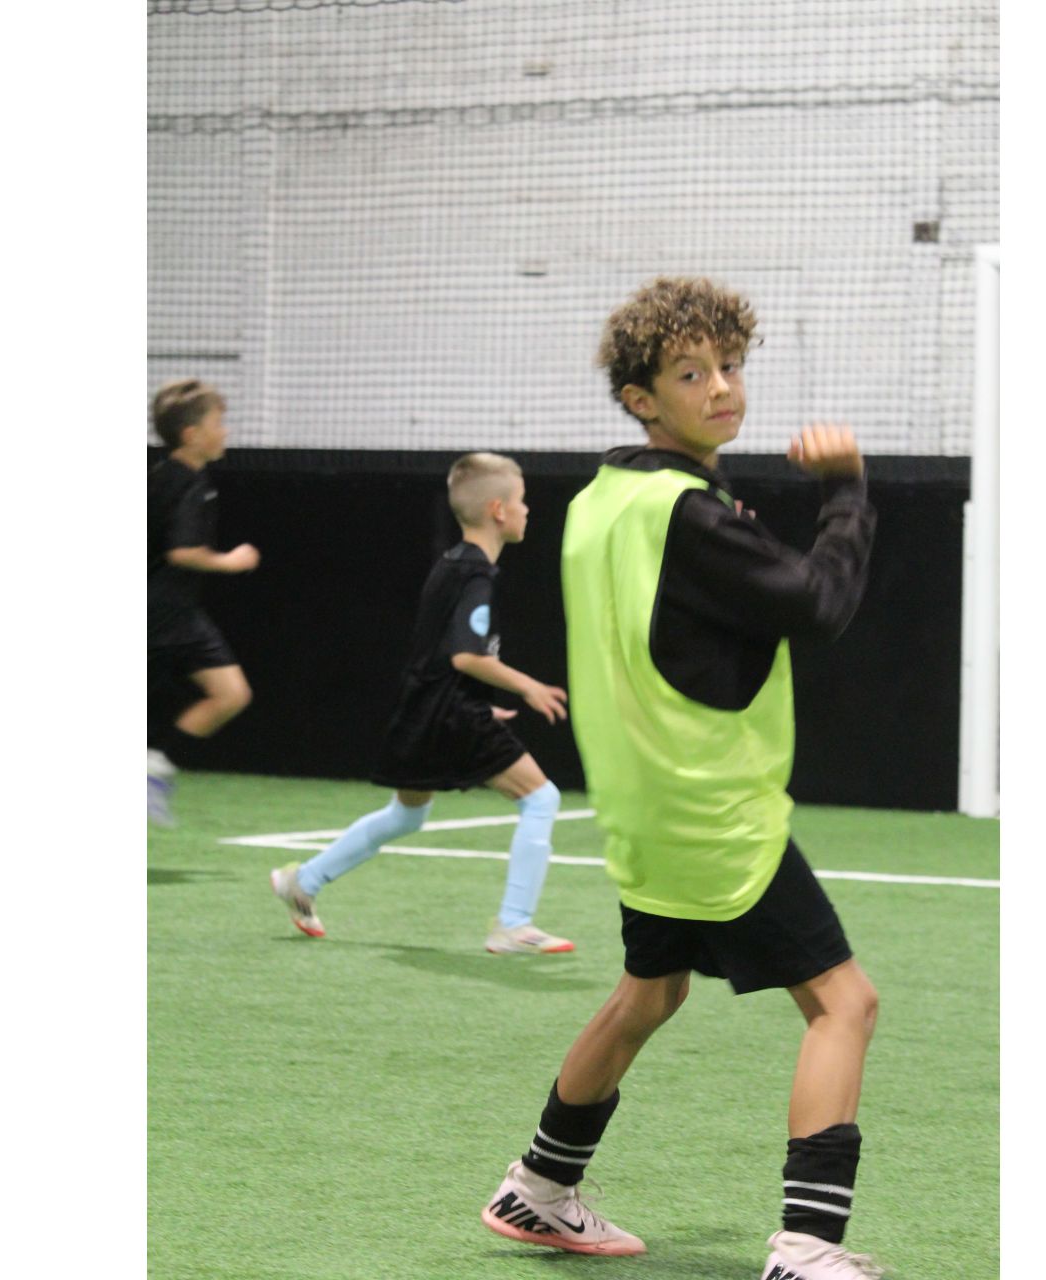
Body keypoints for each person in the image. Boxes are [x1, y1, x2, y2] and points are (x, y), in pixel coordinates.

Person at [477, 278, 886, 1279]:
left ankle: (536, 1189)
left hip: (641, 808)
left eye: (730, 366)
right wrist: (846, 493)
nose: (722, 387)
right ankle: (807, 1249)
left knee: (649, 992)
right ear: (640, 398)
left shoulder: (598, 502)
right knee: (845, 1002)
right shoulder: (686, 513)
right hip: (714, 814)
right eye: (691, 373)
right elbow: (817, 603)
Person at [268, 452, 577, 955]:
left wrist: (478, 704)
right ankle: (514, 924)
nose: (528, 510)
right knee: (541, 799)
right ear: (499, 510)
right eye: (522, 501)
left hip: (424, 710)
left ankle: (303, 880)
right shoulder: (477, 574)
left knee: (406, 816)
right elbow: (466, 656)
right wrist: (528, 687)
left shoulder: (452, 564)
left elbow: (436, 654)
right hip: (450, 714)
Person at [147, 379, 260, 826]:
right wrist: (231, 561)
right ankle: (152, 768)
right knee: (230, 694)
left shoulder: (163, 477)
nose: (225, 431)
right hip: (163, 616)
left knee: (231, 693)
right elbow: (181, 552)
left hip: (174, 615)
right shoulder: (187, 486)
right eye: (218, 422)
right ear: (192, 435)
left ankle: (154, 768)